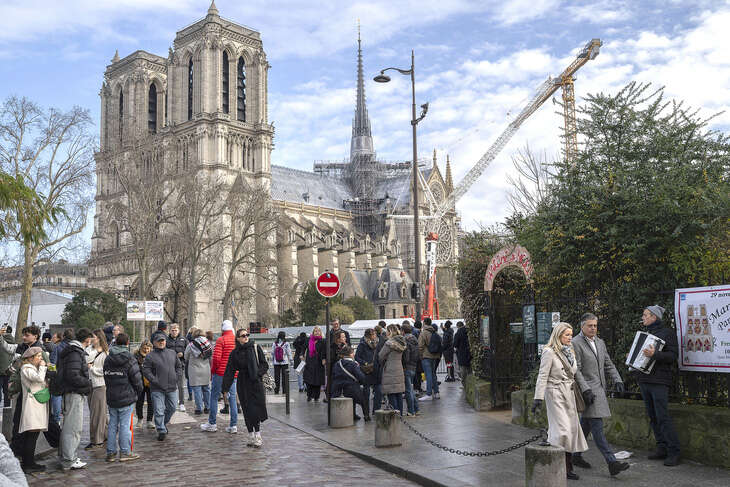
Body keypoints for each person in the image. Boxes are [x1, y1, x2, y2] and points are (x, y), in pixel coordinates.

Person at [571, 313, 629, 476]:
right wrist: (585, 390)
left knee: (586, 425)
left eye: (595, 325)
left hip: (599, 389)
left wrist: (618, 380)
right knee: (597, 427)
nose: (593, 328)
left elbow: (608, 363)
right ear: (582, 326)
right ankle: (612, 462)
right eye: (590, 325)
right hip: (589, 391)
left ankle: (575, 456)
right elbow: (577, 370)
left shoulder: (600, 342)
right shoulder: (575, 343)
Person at [532, 323, 588, 481]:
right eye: (566, 335)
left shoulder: (570, 351)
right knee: (561, 431)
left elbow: (574, 373)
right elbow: (542, 375)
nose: (570, 337)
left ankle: (568, 467)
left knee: (570, 431)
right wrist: (538, 398)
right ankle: (556, 465)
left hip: (569, 394)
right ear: (558, 335)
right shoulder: (549, 352)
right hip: (555, 393)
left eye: (571, 334)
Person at [635, 305, 681, 466]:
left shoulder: (667, 333)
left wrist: (655, 354)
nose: (643, 317)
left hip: (660, 381)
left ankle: (674, 451)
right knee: (653, 416)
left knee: (662, 417)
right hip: (645, 379)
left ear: (654, 317)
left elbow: (673, 356)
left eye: (645, 315)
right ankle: (661, 448)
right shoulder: (647, 334)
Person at [222, 328, 269, 447]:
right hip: (242, 382)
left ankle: (258, 434)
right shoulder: (235, 353)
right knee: (246, 409)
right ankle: (250, 434)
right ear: (237, 338)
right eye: (243, 336)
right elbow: (230, 371)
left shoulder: (255, 348)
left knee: (255, 409)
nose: (246, 337)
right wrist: (225, 389)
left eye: (247, 335)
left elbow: (264, 364)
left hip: (255, 382)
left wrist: (258, 374)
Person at [58, 327, 93, 471]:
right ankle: (69, 459)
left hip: (71, 392)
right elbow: (73, 375)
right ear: (87, 340)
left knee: (70, 426)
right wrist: (87, 383)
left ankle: (68, 456)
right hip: (74, 393)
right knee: (73, 427)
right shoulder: (75, 353)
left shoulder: (72, 351)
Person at [103, 333, 142, 463]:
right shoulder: (130, 358)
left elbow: (106, 376)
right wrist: (138, 391)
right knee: (125, 425)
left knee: (113, 425)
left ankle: (111, 452)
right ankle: (125, 452)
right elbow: (137, 380)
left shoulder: (108, 359)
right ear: (127, 343)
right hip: (126, 396)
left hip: (112, 396)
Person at [142, 333, 182, 441]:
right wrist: (154, 380)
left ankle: (163, 423)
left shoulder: (172, 353)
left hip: (172, 387)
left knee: (172, 407)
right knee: (159, 410)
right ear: (154, 342)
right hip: (157, 388)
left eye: (163, 340)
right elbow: (146, 370)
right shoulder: (150, 356)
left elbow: (178, 366)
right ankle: (161, 430)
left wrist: (176, 377)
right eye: (159, 341)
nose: (161, 342)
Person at [201, 320, 238, 433]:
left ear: (222, 329)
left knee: (214, 396)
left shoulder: (221, 340)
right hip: (233, 374)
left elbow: (216, 358)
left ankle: (212, 423)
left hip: (220, 373)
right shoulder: (236, 340)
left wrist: (213, 371)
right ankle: (233, 425)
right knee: (232, 398)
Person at [18, 346, 48, 473]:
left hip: (36, 404)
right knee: (31, 435)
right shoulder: (26, 368)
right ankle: (28, 464)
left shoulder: (32, 368)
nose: (41, 359)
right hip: (32, 405)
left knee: (33, 435)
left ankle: (29, 462)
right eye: (38, 357)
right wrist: (43, 367)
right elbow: (38, 378)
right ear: (31, 358)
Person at [85, 329, 109, 450]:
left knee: (97, 414)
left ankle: (96, 440)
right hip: (90, 384)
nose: (91, 339)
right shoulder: (89, 350)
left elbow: (105, 371)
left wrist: (92, 368)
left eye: (93, 337)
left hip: (100, 385)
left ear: (99, 338)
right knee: (96, 412)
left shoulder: (105, 354)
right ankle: (106, 434)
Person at [332, 345, 370, 421]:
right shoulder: (353, 364)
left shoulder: (337, 364)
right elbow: (360, 376)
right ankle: (366, 416)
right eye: (353, 353)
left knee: (354, 397)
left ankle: (353, 414)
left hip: (338, 389)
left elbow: (333, 375)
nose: (354, 355)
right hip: (351, 388)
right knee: (363, 399)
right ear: (349, 354)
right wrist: (364, 382)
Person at [378, 324, 407, 414]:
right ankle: (400, 414)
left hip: (390, 369)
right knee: (398, 394)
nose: (386, 333)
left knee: (391, 394)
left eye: (387, 331)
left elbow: (381, 356)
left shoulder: (389, 343)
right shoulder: (402, 342)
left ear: (390, 332)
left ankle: (395, 415)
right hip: (399, 368)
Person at [184, 329, 212, 415]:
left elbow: (186, 356)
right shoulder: (208, 344)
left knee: (197, 390)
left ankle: (199, 409)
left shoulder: (191, 345)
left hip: (195, 370)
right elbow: (211, 355)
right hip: (206, 369)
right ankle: (208, 407)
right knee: (206, 389)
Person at [354, 328, 378, 414]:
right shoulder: (362, 344)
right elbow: (357, 357)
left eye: (375, 334)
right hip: (366, 371)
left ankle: (376, 410)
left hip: (375, 369)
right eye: (374, 334)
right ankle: (366, 413)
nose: (375, 336)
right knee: (366, 392)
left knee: (378, 391)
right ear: (369, 335)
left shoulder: (377, 343)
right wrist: (365, 363)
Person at [166, 323, 188, 412]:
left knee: (180, 385)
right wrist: (173, 355)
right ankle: (172, 403)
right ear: (170, 331)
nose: (174, 332)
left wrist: (183, 354)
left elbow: (188, 350)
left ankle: (181, 403)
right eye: (172, 330)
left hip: (180, 365)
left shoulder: (184, 339)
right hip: (169, 365)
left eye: (176, 330)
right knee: (170, 385)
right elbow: (164, 351)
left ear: (179, 330)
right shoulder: (166, 340)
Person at [418, 318, 440, 400]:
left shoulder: (424, 333)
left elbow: (420, 346)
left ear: (424, 323)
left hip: (426, 356)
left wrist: (421, 355)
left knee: (428, 375)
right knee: (433, 374)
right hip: (435, 356)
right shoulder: (434, 332)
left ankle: (429, 394)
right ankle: (436, 392)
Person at [134, 340, 155, 429]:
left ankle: (149, 420)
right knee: (139, 401)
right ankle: (140, 419)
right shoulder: (136, 356)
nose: (146, 350)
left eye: (148, 348)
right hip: (140, 382)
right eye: (144, 348)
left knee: (151, 402)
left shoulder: (153, 356)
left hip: (150, 382)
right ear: (141, 348)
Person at [401, 323, 421, 416]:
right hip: (414, 366)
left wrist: (404, 363)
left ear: (403, 331)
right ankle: (416, 409)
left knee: (408, 390)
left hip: (407, 367)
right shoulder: (415, 339)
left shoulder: (405, 340)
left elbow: (406, 355)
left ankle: (411, 411)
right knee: (411, 389)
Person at [303, 326, 325, 402]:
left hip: (318, 362)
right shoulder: (309, 340)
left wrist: (324, 359)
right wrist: (301, 355)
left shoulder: (322, 341)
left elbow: (324, 351)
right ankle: (309, 395)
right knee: (309, 380)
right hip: (309, 361)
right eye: (315, 331)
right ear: (313, 332)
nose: (317, 332)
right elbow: (303, 348)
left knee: (317, 381)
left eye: (318, 331)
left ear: (320, 332)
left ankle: (316, 396)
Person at [0, 325, 15, 408]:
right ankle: (7, 411)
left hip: (1, 371)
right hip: (9, 371)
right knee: (7, 392)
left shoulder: (1, 341)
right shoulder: (13, 341)